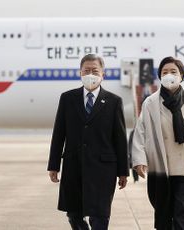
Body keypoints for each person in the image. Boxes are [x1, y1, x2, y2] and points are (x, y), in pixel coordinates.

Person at [132, 56, 184, 230]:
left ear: (181, 76)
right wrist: (139, 159)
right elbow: (140, 132)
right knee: (163, 213)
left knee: (182, 212)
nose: (169, 75)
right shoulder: (150, 103)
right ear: (159, 76)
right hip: (162, 168)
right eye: (164, 72)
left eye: (173, 72)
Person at [47, 54, 129, 230]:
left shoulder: (114, 101)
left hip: (103, 169)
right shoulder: (68, 99)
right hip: (73, 165)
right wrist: (53, 165)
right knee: (74, 214)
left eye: (94, 71)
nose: (90, 74)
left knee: (100, 216)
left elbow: (120, 139)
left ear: (103, 75)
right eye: (86, 71)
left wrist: (123, 171)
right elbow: (59, 134)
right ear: (80, 73)